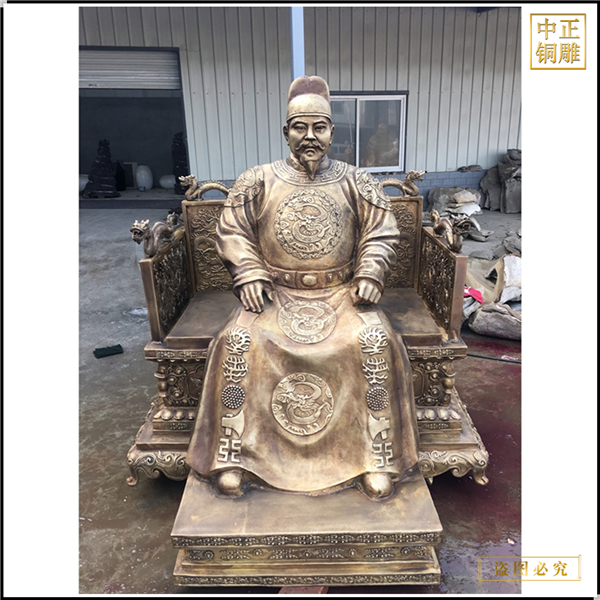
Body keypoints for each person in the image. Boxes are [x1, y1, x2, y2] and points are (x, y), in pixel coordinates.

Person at [186, 76, 419, 499]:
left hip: (341, 293)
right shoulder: (257, 180)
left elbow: (382, 231)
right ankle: (235, 458)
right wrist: (249, 273)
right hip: (275, 294)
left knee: (373, 341)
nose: (309, 136)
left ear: (332, 131)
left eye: (319, 127)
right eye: (300, 127)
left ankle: (374, 459)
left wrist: (370, 273)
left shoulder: (358, 181)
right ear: (286, 131)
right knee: (239, 340)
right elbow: (232, 230)